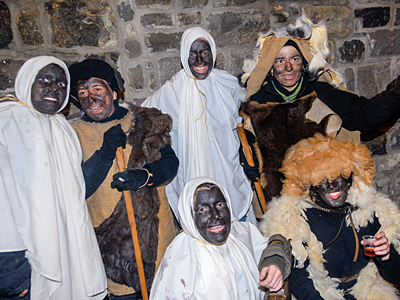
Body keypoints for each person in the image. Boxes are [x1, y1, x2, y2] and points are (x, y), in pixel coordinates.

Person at [68, 59, 179, 299]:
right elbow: (76, 189)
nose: (90, 97)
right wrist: (105, 153)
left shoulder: (146, 121)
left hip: (156, 237)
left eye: (97, 89)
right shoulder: (72, 134)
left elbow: (170, 164)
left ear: (114, 91)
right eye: (83, 92)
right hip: (110, 245)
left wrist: (145, 176)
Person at [0, 56, 107, 299]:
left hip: (64, 245)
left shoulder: (62, 129)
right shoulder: (7, 123)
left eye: (61, 85)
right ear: (28, 81)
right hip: (21, 258)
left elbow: (74, 194)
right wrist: (10, 267)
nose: (53, 89)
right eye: (45, 80)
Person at [260, 133, 400, 299]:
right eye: (323, 179)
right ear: (311, 183)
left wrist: (386, 255)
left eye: (338, 176)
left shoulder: (368, 210)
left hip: (369, 290)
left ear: (349, 178)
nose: (333, 186)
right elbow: (298, 277)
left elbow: (396, 277)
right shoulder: (297, 216)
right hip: (321, 294)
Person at [141, 27, 257, 224]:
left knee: (237, 222)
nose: (200, 61)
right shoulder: (171, 91)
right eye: (192, 54)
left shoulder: (226, 84)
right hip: (192, 172)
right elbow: (141, 116)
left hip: (227, 171)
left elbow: (250, 111)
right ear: (184, 56)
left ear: (213, 52)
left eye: (205, 53)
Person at [244, 15, 400, 133]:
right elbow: (248, 147)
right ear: (271, 68)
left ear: (304, 64)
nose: (288, 67)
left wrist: (395, 93)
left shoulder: (321, 93)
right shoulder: (259, 102)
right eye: (280, 61)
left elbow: (364, 115)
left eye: (295, 59)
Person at [150, 177, 292, 300]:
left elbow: (277, 243)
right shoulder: (179, 258)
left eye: (219, 205)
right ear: (189, 215)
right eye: (202, 209)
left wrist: (274, 260)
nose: (215, 215)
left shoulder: (238, 232)